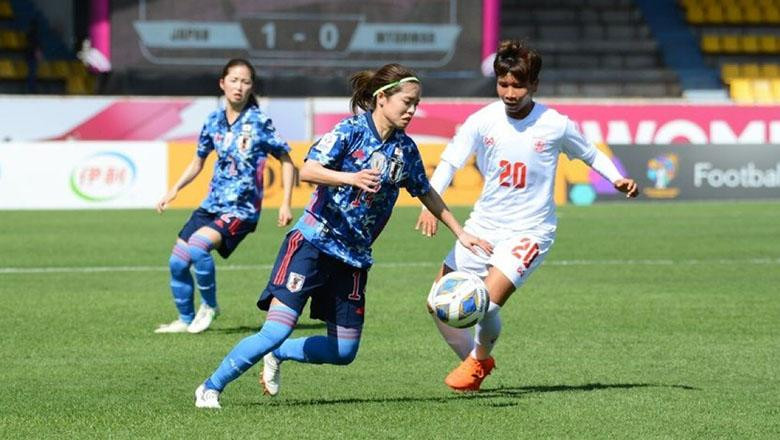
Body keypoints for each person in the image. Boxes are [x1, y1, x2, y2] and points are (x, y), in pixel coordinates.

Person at [193, 63, 493, 408]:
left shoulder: (405, 150)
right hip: (312, 243)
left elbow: (425, 191)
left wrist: (460, 232)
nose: (412, 110)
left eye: (416, 103)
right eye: (407, 102)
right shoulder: (350, 131)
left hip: (353, 258)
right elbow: (308, 170)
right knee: (276, 329)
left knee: (343, 351)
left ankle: (279, 354)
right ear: (382, 98)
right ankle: (210, 388)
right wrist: (350, 178)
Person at [415, 40, 639, 392]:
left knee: (486, 305)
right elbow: (449, 163)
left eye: (517, 85)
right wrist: (430, 203)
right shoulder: (482, 120)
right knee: (435, 304)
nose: (509, 93)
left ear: (533, 84)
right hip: (483, 226)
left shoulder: (555, 124)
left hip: (529, 232)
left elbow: (591, 154)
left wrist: (616, 178)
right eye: (503, 84)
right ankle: (475, 361)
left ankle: (477, 361)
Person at [155, 58, 296, 334]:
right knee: (177, 262)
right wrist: (174, 189)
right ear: (222, 83)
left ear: (251, 87)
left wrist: (286, 203)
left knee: (198, 246)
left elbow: (287, 160)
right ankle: (185, 319)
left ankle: (209, 306)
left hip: (241, 210)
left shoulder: (259, 121)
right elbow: (198, 161)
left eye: (245, 82)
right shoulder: (213, 121)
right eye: (234, 80)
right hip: (212, 205)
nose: (239, 87)